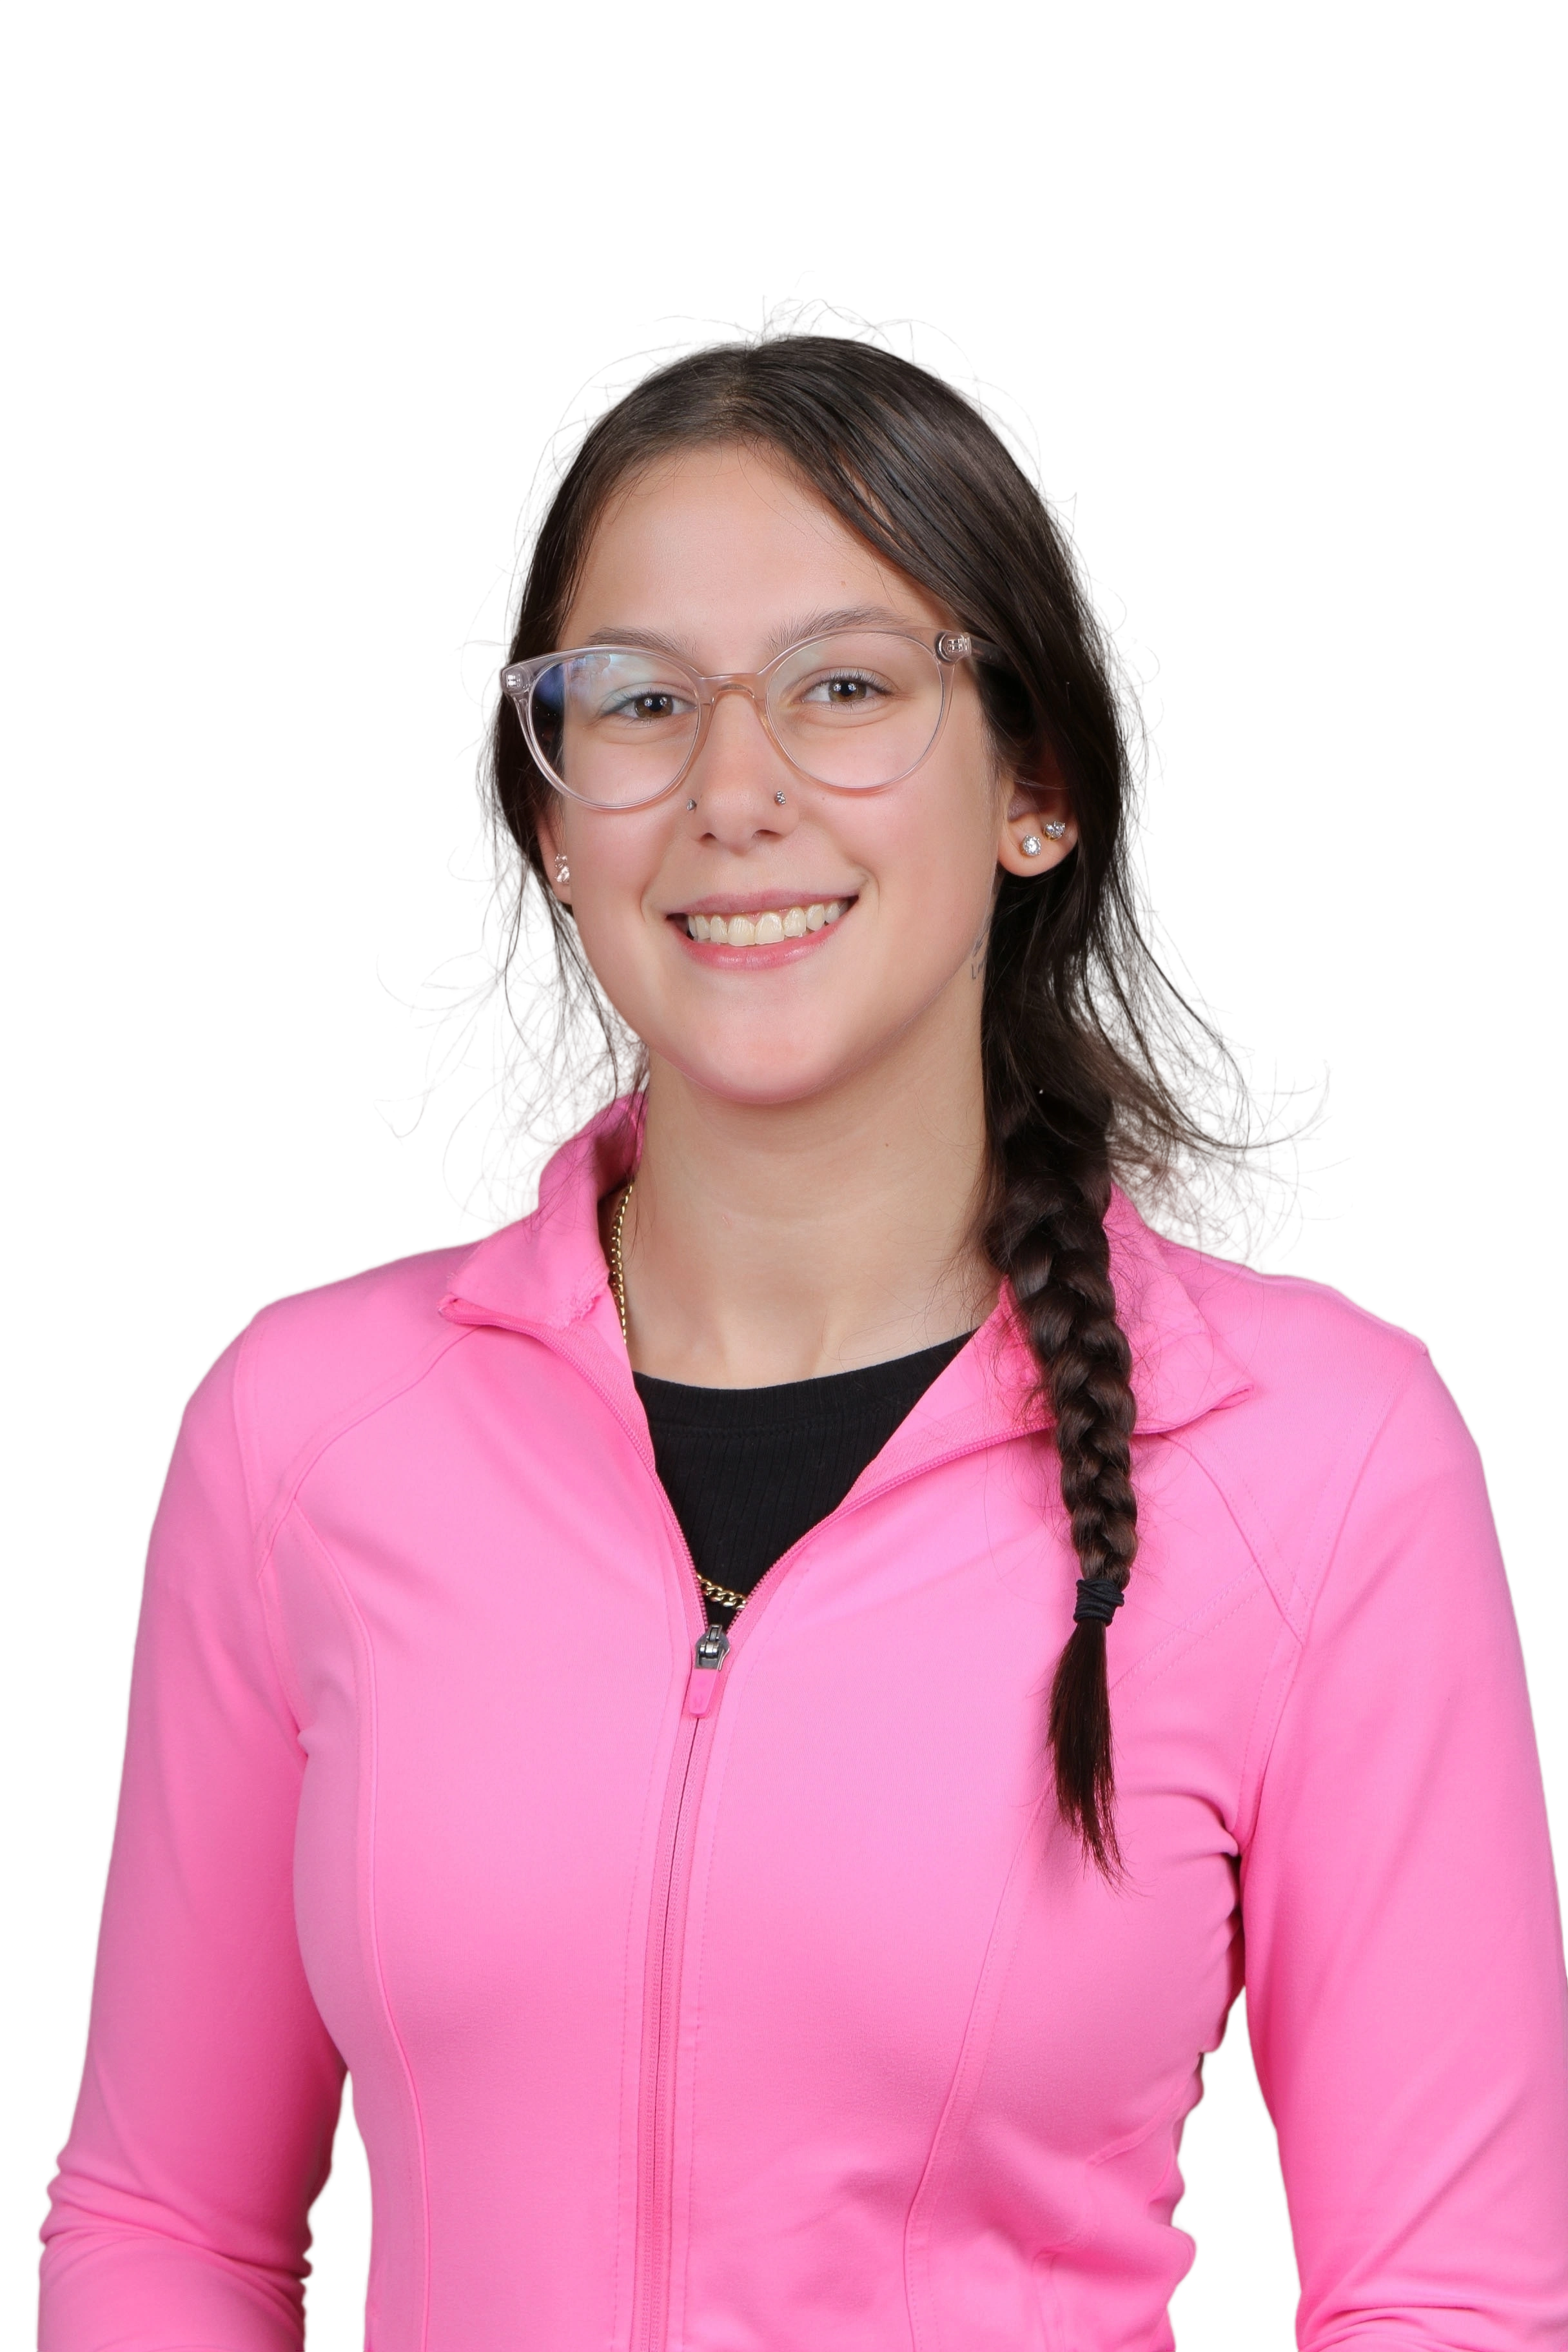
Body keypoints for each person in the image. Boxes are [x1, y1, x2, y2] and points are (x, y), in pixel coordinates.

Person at [35, 295, 1568, 2352]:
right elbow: (167, 2225)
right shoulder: (301, 1433)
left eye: (846, 686)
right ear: (552, 817)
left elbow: (1454, 2296)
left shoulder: (1324, 1460)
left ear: (1035, 785)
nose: (733, 790)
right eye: (641, 704)